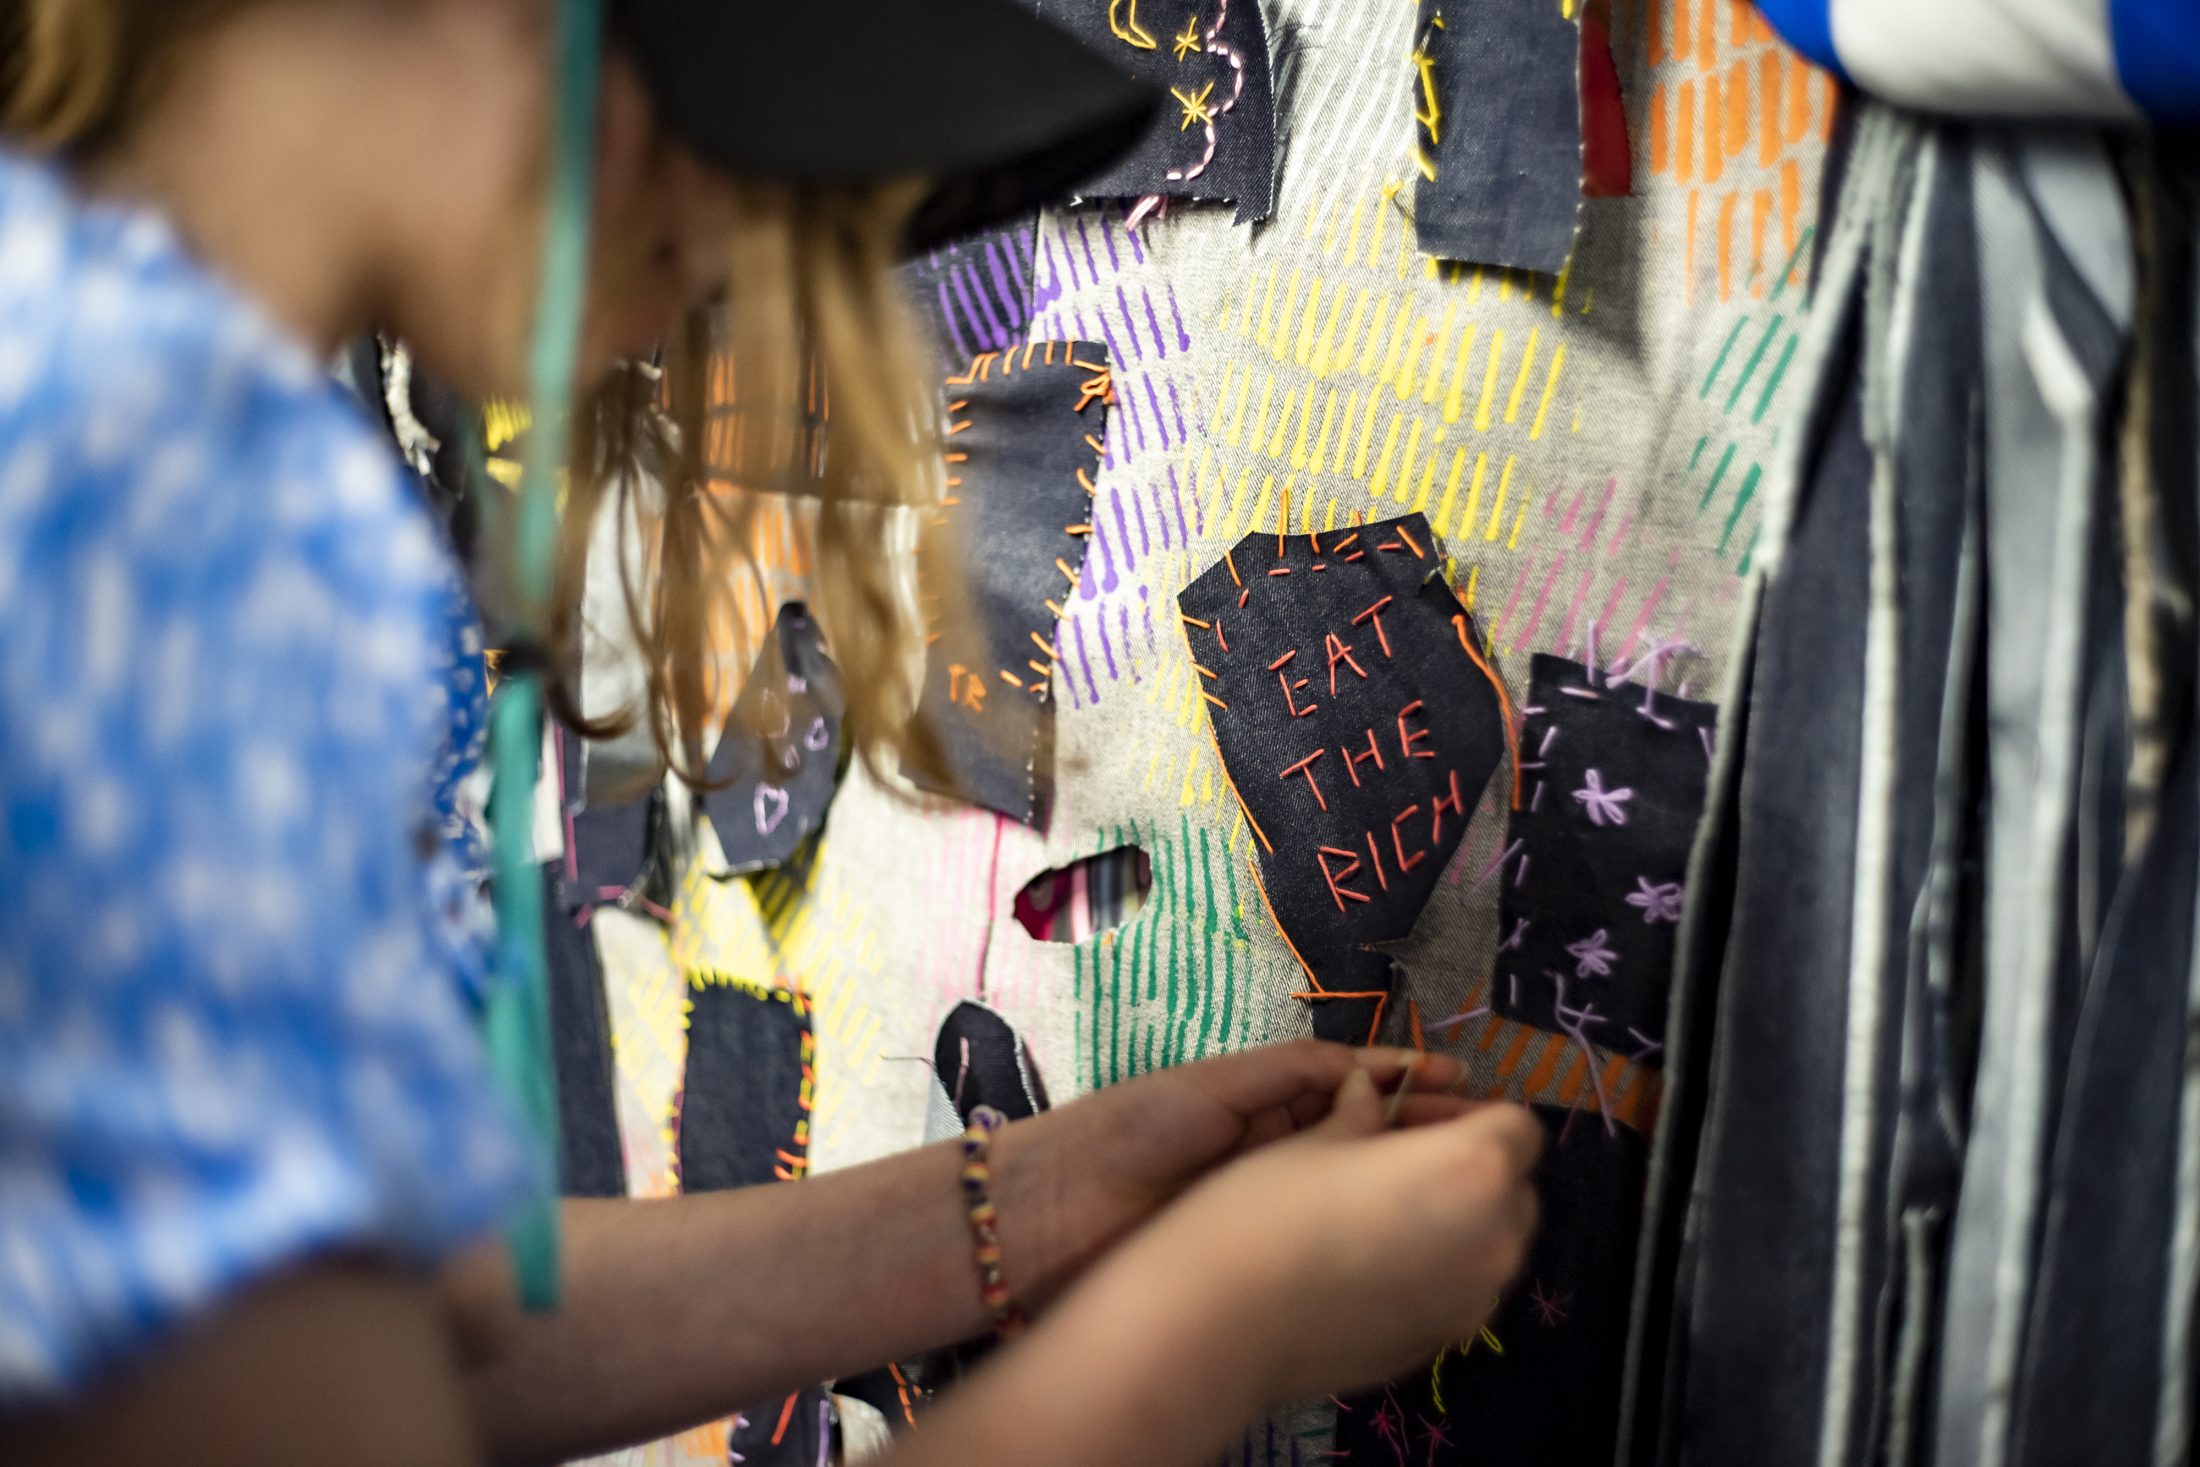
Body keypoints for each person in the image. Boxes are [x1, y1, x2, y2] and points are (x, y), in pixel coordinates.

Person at [0, 3, 1545, 1466]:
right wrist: (1213, 1328)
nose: (763, 222)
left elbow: (396, 1333)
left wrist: (1037, 1197)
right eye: (739, 81)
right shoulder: (161, 516)